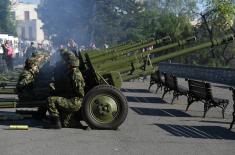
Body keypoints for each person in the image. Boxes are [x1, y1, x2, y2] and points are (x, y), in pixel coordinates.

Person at [44, 53, 85, 129]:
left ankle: (55, 123)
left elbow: (80, 93)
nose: (66, 64)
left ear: (71, 64)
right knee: (65, 123)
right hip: (74, 99)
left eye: (68, 62)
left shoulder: (76, 75)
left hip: (75, 101)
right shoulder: (73, 72)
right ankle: (64, 120)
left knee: (50, 100)